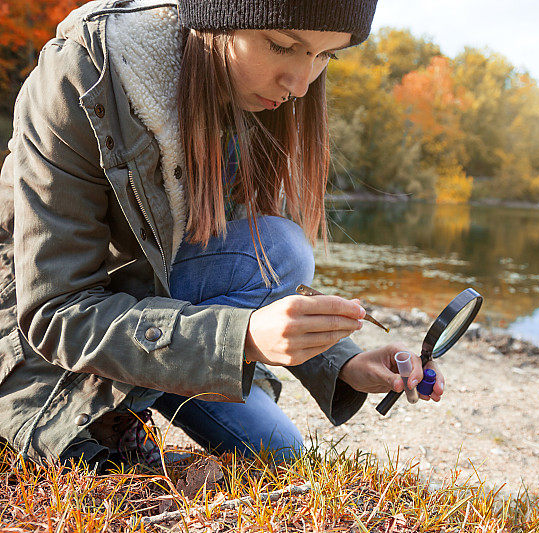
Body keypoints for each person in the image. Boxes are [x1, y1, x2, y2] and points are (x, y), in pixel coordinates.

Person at [0, 0, 445, 468]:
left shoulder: (254, 95)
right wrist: (243, 340)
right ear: (216, 18)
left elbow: (246, 278)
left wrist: (344, 363)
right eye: (281, 46)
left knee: (285, 456)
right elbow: (56, 312)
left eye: (325, 56)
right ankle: (104, 412)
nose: (299, 84)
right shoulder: (83, 76)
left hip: (168, 321)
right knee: (280, 250)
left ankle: (141, 399)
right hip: (37, 345)